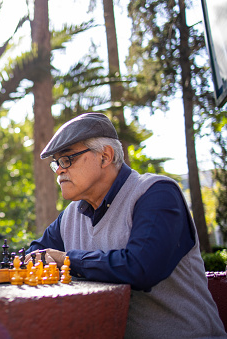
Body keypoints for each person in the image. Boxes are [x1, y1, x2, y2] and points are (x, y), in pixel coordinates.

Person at [26, 113, 226, 338]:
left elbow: (141, 267)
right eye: (56, 164)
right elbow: (35, 254)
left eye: (67, 159)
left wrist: (67, 260)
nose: (60, 170)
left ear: (105, 156)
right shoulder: (71, 215)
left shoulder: (157, 193)